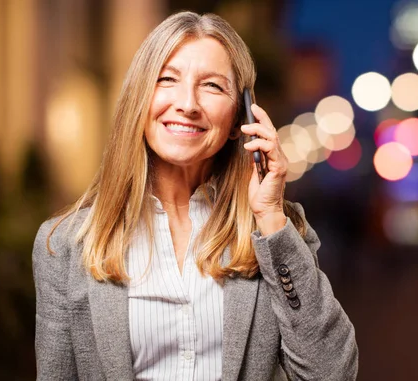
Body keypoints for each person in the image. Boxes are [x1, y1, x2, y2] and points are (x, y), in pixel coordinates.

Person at [32, 11, 358, 381]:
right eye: (167, 79)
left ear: (241, 118)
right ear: (139, 99)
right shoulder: (64, 244)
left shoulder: (278, 232)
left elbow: (332, 371)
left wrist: (269, 217)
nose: (187, 103)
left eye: (213, 86)